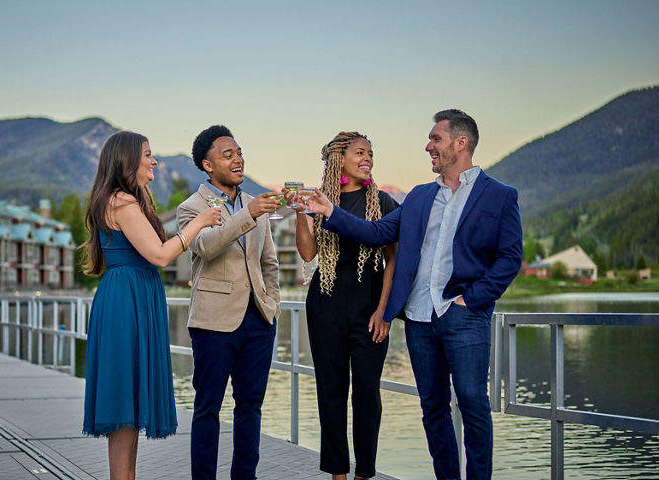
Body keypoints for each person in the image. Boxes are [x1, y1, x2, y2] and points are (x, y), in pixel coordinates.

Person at [304, 110, 523, 480]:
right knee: (433, 408)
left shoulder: (499, 195)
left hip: (464, 314)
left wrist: (472, 299)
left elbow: (510, 257)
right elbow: (375, 234)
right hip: (420, 318)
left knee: (472, 402)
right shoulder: (420, 197)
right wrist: (329, 211)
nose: (428, 147)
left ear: (460, 142)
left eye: (435, 139)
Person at [81, 131, 222, 480]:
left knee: (127, 410)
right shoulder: (121, 203)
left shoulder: (124, 200)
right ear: (127, 160)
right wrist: (199, 223)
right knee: (124, 406)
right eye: (147, 154)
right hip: (126, 303)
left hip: (131, 297)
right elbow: (159, 255)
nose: (154, 161)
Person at [287, 132, 398, 480]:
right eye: (360, 152)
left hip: (369, 307)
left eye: (370, 153)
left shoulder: (382, 202)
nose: (368, 159)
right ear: (339, 159)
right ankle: (337, 474)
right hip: (326, 304)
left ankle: (364, 473)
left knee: (367, 392)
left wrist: (384, 312)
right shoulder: (320, 202)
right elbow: (308, 254)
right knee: (330, 392)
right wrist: (301, 213)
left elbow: (393, 262)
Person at [177, 125, 282, 480]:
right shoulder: (189, 208)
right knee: (207, 408)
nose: (238, 159)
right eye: (228, 155)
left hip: (259, 320)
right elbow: (207, 246)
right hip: (213, 323)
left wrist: (272, 304)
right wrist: (249, 213)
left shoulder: (256, 203)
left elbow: (269, 262)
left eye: (239, 152)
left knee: (250, 408)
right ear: (208, 165)